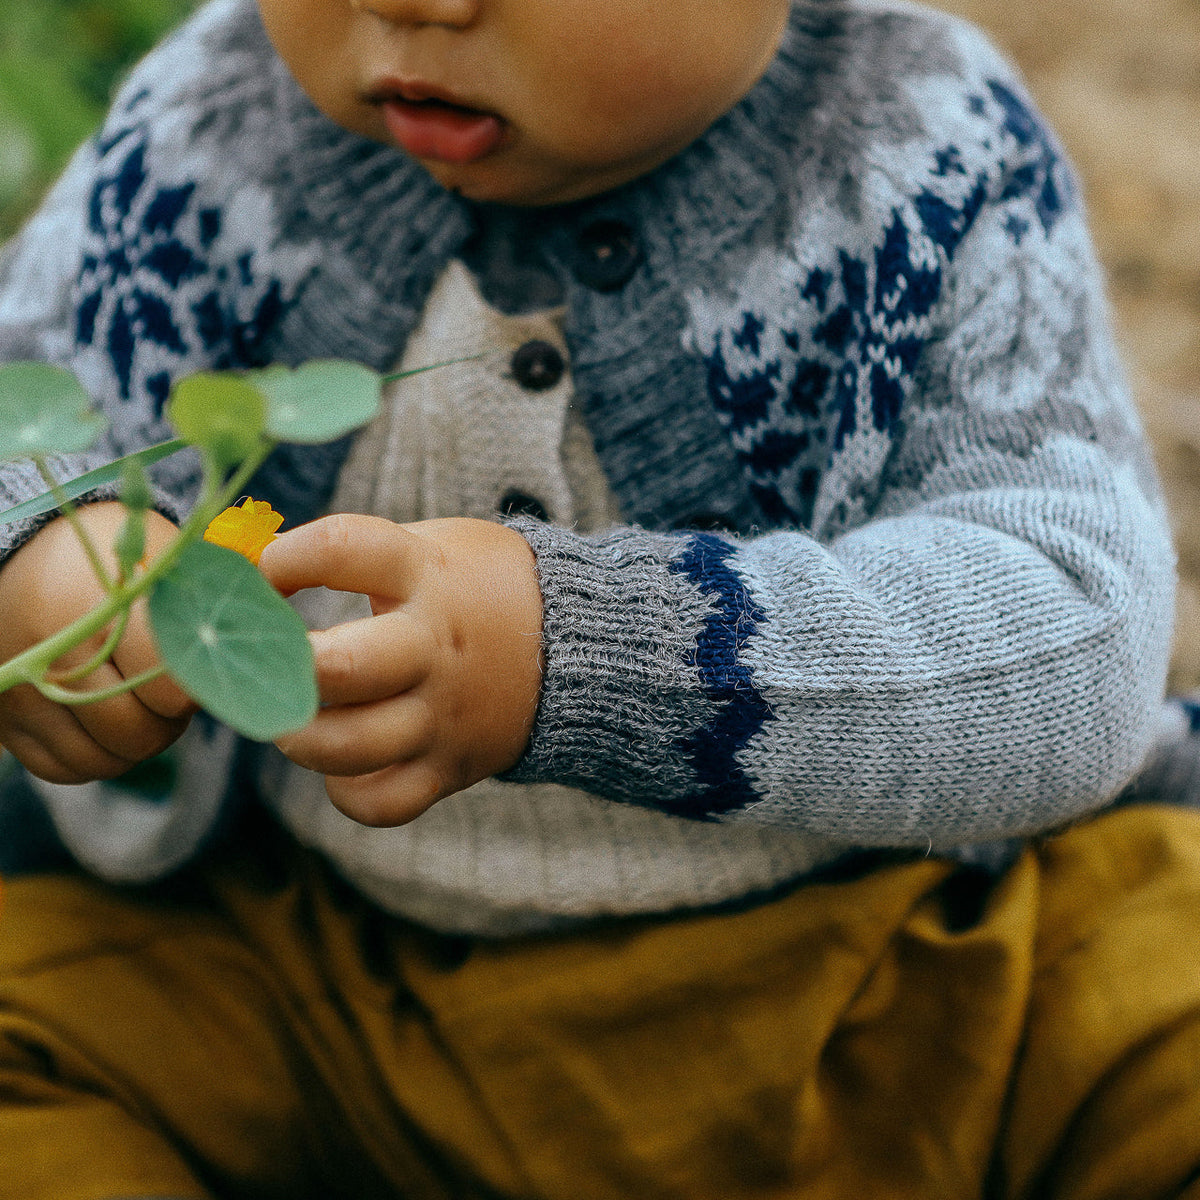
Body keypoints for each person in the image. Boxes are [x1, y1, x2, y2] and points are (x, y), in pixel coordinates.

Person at [0, 0, 1197, 1195]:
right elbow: (21, 401)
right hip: (328, 987)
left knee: (1160, 974)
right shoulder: (207, 126)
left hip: (897, 976)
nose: (414, 4)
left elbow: (1081, 616)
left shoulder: (918, 145)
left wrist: (594, 650)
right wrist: (45, 552)